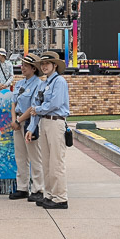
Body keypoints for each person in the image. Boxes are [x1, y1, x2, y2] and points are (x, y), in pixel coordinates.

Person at [27, 51, 70, 209]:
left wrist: (37, 109)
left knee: (56, 162)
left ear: (55, 65)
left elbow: (55, 104)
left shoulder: (59, 81)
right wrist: (32, 126)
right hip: (45, 122)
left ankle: (60, 197)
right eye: (42, 64)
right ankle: (50, 194)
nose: (44, 66)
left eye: (47, 64)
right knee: (46, 161)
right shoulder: (44, 83)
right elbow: (38, 105)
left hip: (55, 122)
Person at [9, 54, 44, 201]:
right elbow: (13, 102)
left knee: (34, 157)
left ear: (33, 68)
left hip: (30, 122)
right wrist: (14, 120)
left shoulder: (38, 84)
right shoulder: (19, 83)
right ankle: (22, 188)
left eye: (25, 65)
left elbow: (33, 107)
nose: (21, 67)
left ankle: (38, 189)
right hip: (17, 122)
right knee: (20, 157)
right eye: (22, 65)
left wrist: (18, 120)